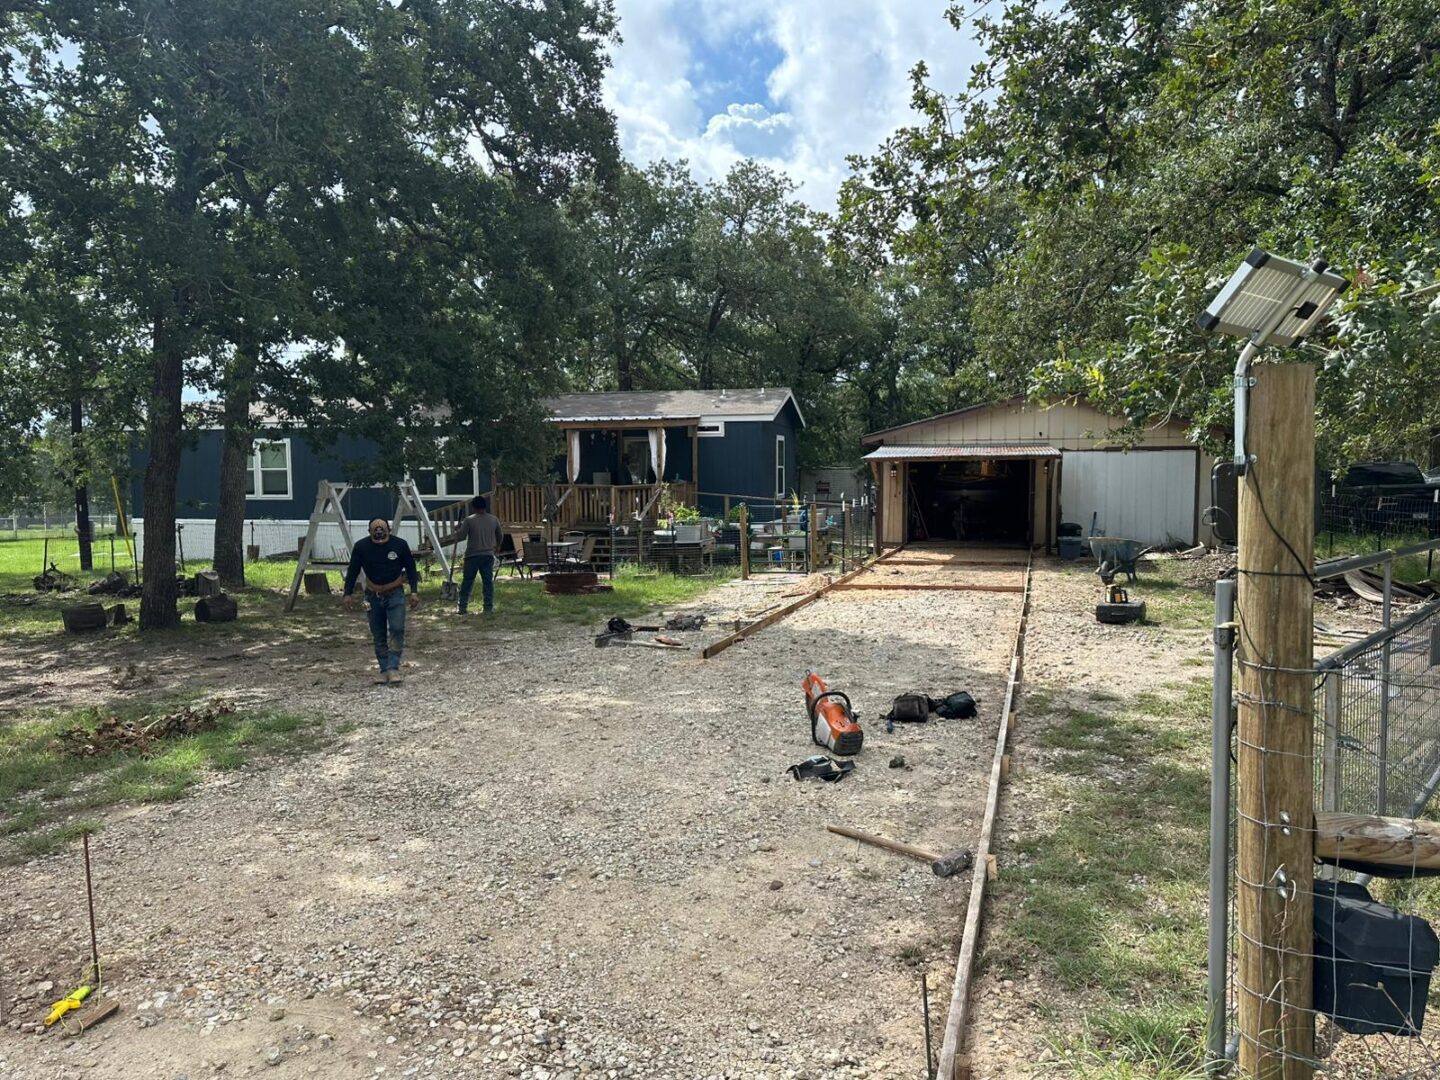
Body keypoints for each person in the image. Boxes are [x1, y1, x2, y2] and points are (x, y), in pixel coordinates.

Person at [343, 517, 420, 684]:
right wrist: (347, 593)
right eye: (375, 531)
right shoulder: (361, 547)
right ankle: (384, 669)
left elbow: (411, 568)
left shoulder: (400, 545)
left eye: (382, 531)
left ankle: (393, 668)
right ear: (369, 532)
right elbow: (353, 570)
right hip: (372, 595)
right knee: (378, 634)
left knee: (397, 629)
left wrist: (414, 592)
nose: (379, 534)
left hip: (395, 594)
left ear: (389, 530)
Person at [441, 495, 504, 614]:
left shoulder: (469, 520)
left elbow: (461, 536)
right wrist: (498, 545)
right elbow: (500, 534)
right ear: (485, 507)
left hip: (472, 556)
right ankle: (488, 608)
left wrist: (458, 530)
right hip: (487, 555)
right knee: (488, 582)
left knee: (468, 582)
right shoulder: (493, 519)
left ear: (473, 507)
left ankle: (462, 607)